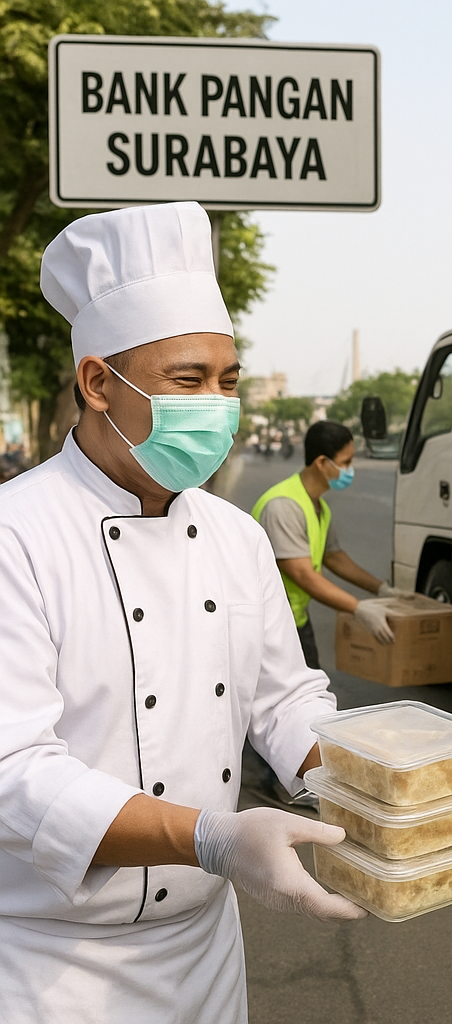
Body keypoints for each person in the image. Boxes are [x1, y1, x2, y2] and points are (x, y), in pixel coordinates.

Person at [0, 202, 364, 1024]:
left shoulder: (235, 537)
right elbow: (13, 772)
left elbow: (283, 698)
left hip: (204, 958)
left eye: (228, 381)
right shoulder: (16, 534)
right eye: (188, 381)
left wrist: (371, 780)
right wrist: (212, 836)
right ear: (98, 384)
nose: (218, 405)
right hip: (47, 968)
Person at [253, 419, 411, 671]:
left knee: (312, 694)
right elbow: (303, 574)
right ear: (322, 463)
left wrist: (382, 590)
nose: (350, 470)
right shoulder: (283, 506)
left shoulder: (318, 507)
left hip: (296, 620)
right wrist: (358, 609)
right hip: (269, 628)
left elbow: (334, 556)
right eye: (346, 462)